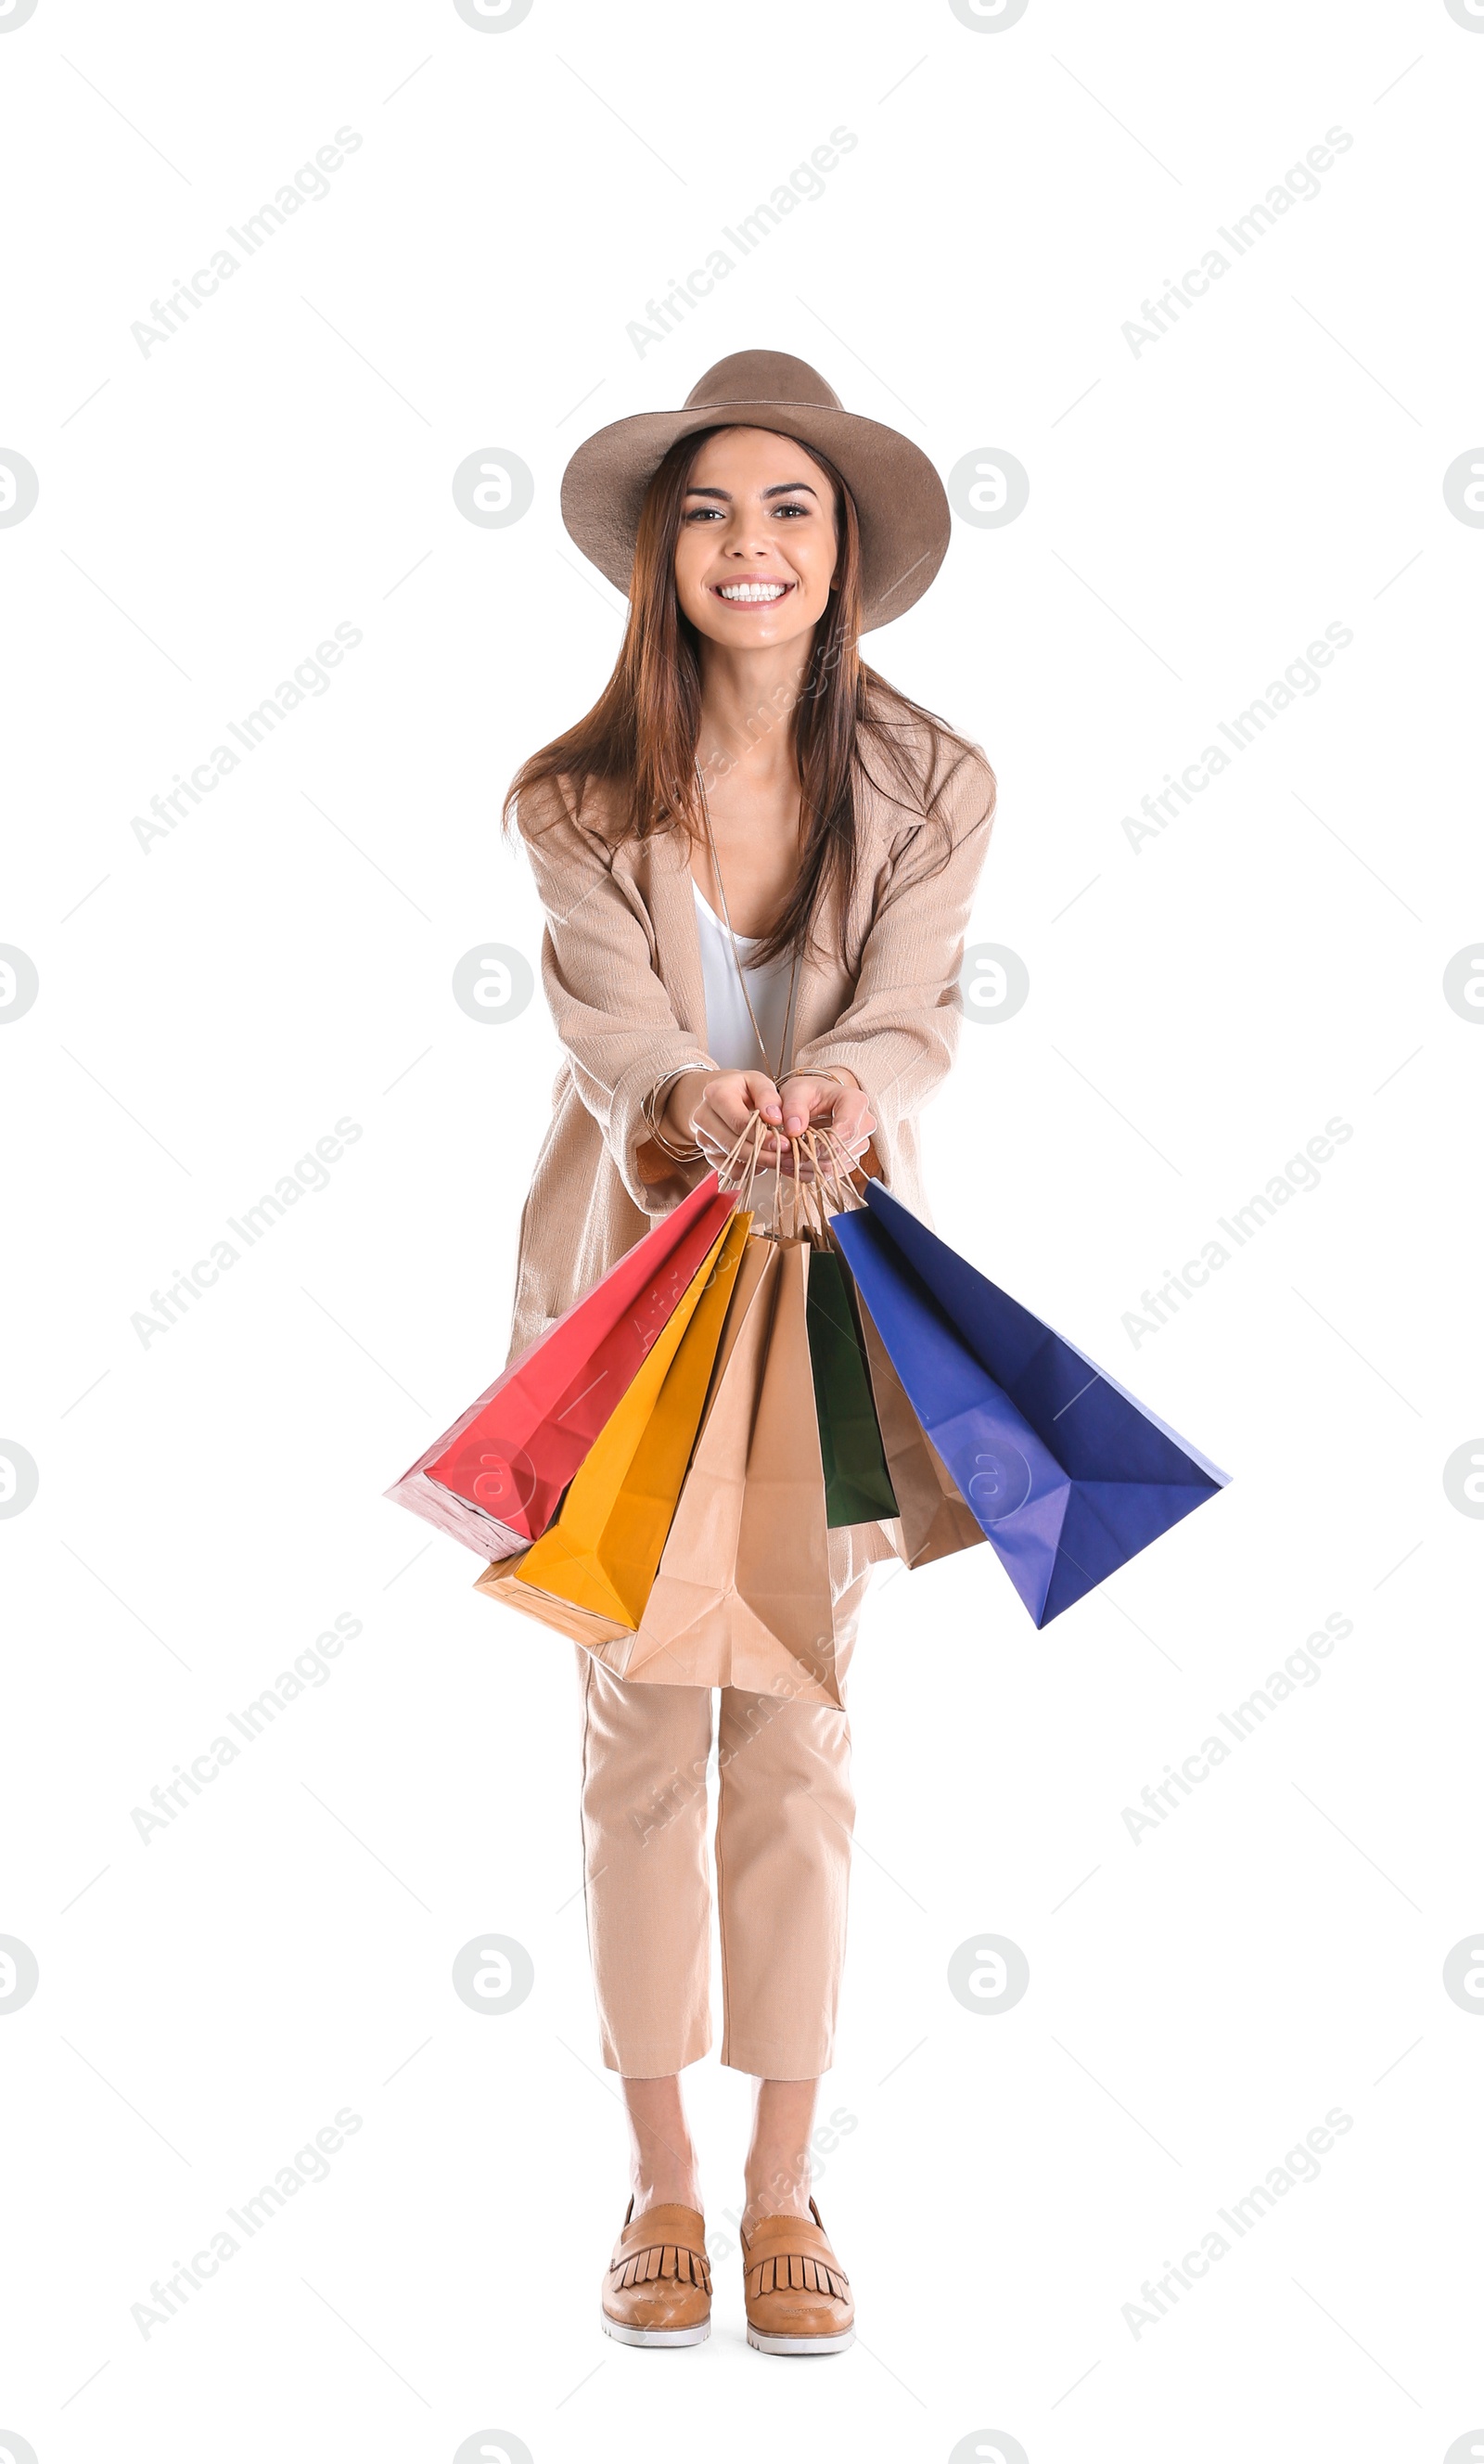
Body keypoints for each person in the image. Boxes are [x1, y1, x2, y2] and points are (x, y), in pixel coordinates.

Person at [502, 351, 996, 2355]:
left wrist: (851, 1097)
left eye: (786, 508)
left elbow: (911, 1009)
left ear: (841, 545)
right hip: (637, 1299)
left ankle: (786, 2177)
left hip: (834, 1302)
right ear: (660, 553)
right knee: (640, 1727)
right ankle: (658, 2181)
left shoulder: (935, 780)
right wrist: (702, 1099)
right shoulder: (569, 793)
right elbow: (610, 1029)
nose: (748, 542)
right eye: (708, 510)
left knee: (793, 1727)